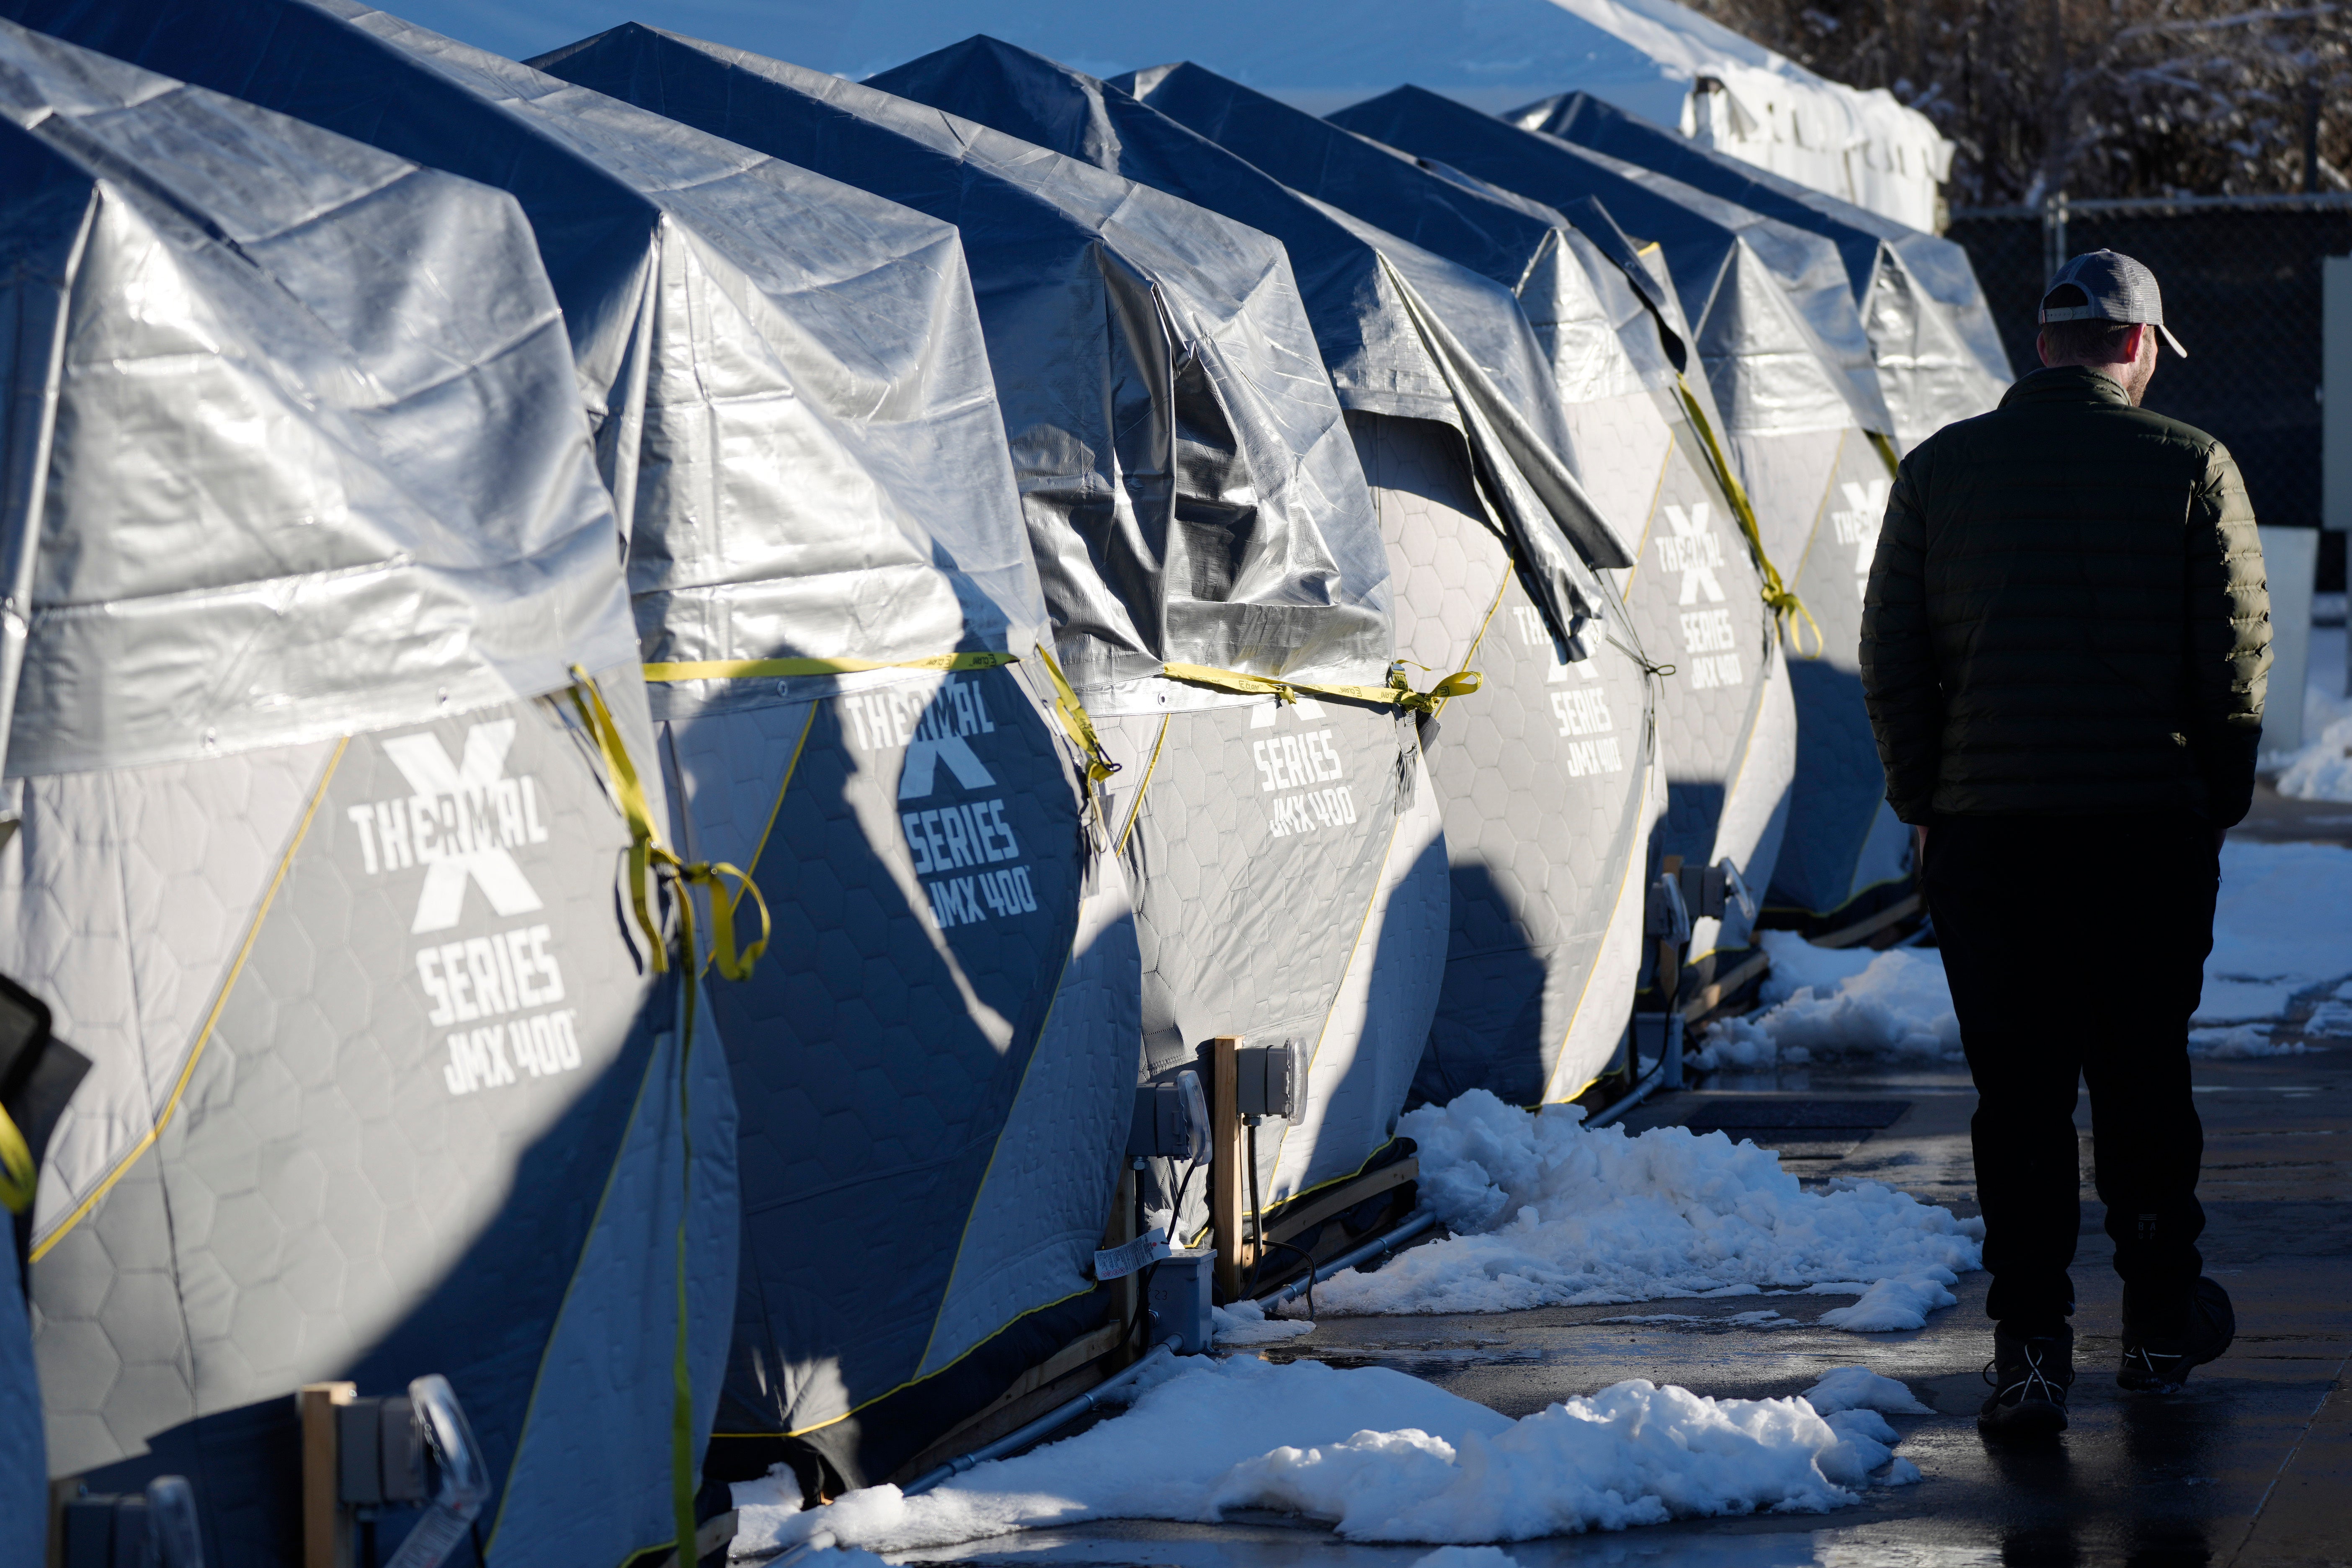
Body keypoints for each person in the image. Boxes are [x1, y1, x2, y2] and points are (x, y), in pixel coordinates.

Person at [1859, 249, 2269, 1437]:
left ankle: (2030, 1352)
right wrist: (2216, 797)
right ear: (2139, 347)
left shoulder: (1939, 472)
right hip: (2145, 834)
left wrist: (1930, 799)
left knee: (2019, 1099)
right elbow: (2234, 661)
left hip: (1994, 843)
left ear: (2041, 346)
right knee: (2145, 1077)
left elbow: (1894, 661)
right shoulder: (2192, 464)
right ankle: (2155, 1327)